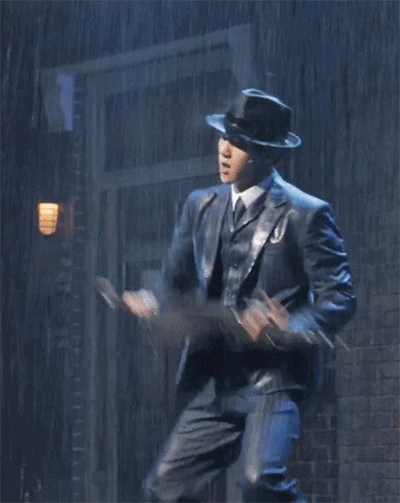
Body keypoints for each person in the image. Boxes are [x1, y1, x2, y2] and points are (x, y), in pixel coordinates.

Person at [123, 89, 356, 502]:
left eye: (239, 143)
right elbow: (174, 281)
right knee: (163, 488)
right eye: (224, 137)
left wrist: (288, 326)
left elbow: (340, 299)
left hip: (274, 380)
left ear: (267, 154)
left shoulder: (305, 214)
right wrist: (153, 300)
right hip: (219, 380)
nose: (224, 150)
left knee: (258, 480)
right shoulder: (200, 206)